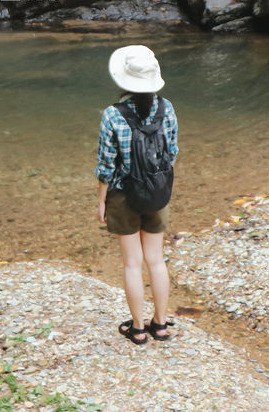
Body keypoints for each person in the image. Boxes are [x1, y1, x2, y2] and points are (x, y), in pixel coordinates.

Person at [95, 44, 179, 345]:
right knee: (156, 261)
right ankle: (160, 325)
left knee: (132, 263)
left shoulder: (112, 115)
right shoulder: (166, 108)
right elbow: (172, 153)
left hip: (123, 195)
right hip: (157, 194)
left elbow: (106, 165)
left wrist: (101, 201)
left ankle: (139, 329)